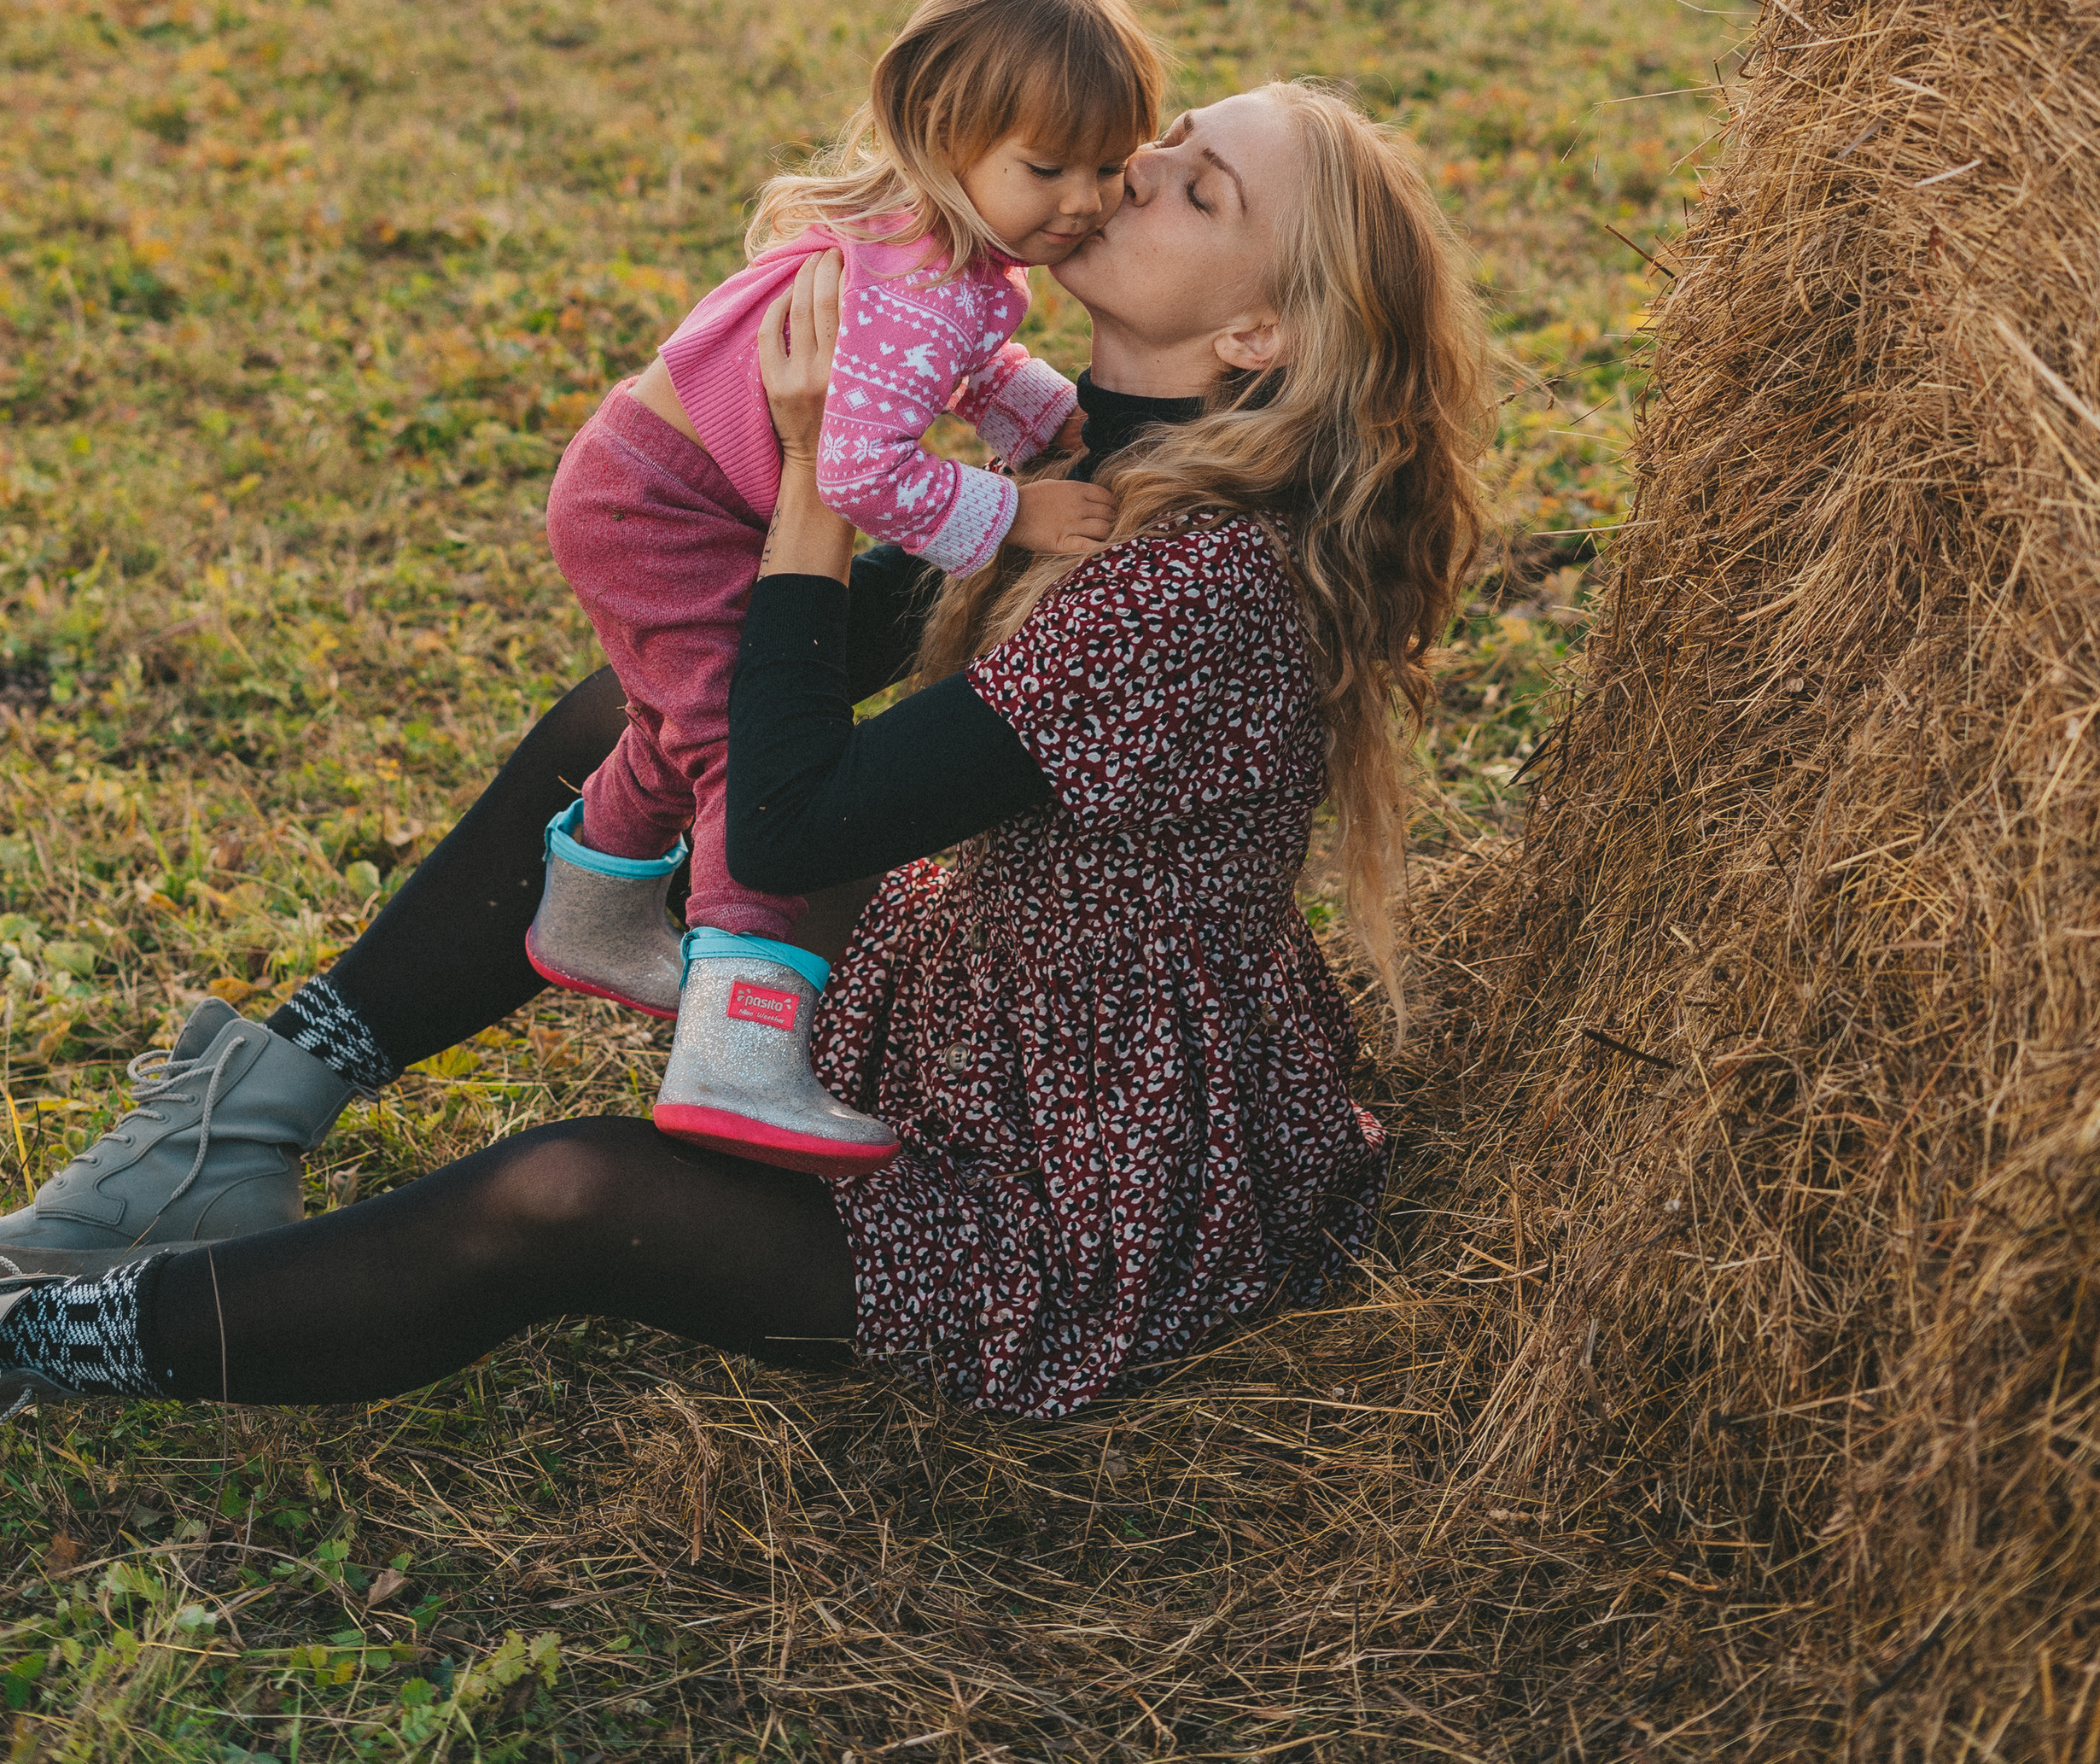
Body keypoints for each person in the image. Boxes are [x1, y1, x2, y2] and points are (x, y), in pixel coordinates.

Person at [0, 87, 1490, 1425]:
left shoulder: (1192, 586)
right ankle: (245, 1119)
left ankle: (39, 1340)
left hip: (1074, 1165)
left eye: (1200, 188)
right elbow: (779, 671)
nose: (1134, 168)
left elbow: (785, 827)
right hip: (975, 1010)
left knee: (566, 1194)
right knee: (642, 705)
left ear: (1257, 336)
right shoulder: (1092, 457)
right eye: (1166, 139)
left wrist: (817, 487)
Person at [526, 0, 1160, 1168]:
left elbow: (965, 365)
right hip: (664, 504)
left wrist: (1042, 417)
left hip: (642, 481)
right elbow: (864, 473)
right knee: (732, 748)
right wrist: (1016, 512)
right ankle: (739, 1051)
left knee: (686, 711)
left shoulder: (945, 245)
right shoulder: (926, 283)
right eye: (1049, 167)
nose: (1083, 199)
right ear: (942, 129)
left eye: (1110, 167)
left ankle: (594, 909)